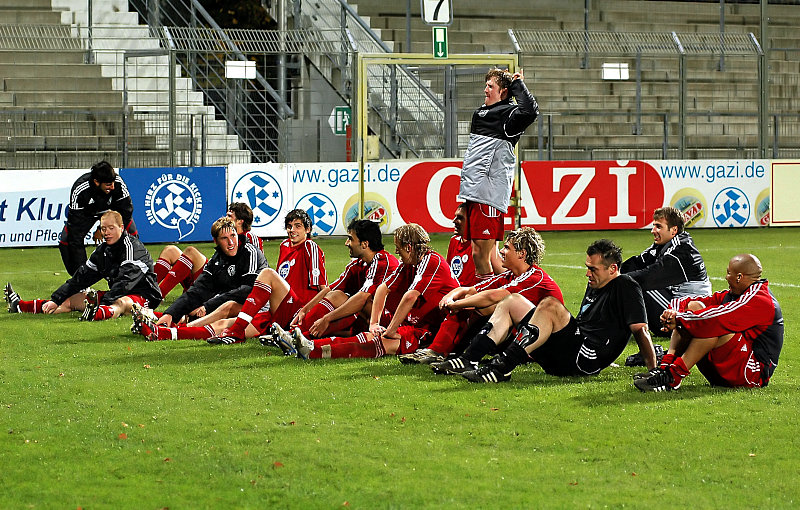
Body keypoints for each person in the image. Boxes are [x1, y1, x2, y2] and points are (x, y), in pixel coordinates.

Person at [431, 239, 656, 383]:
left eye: (593, 269)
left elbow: (640, 330)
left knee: (549, 305)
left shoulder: (625, 285)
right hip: (568, 352)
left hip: (584, 359)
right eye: (587, 268)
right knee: (512, 301)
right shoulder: (597, 284)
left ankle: (502, 367)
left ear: (613, 269)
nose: (587, 274)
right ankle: (469, 359)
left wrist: (653, 369)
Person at [282, 223, 459, 360]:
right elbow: (382, 289)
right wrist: (374, 323)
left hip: (427, 329)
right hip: (404, 320)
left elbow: (410, 296)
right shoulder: (406, 264)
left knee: (378, 339)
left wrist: (390, 329)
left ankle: (308, 345)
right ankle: (307, 344)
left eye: (398, 247)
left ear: (409, 247)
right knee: (366, 329)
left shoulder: (429, 260)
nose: (396, 251)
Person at [398, 227, 564, 365]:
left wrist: (456, 305)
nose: (501, 251)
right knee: (473, 300)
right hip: (522, 334)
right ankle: (443, 351)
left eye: (507, 248)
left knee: (485, 306)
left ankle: (447, 352)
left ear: (522, 254)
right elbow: (470, 289)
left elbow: (492, 297)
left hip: (541, 344)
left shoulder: (534, 278)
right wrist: (451, 296)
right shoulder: (510, 275)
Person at [634, 254, 783, 392]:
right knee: (694, 308)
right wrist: (673, 313)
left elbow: (718, 319)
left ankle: (672, 377)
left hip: (752, 374)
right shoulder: (733, 294)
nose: (726, 277)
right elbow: (690, 301)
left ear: (739, 277)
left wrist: (679, 319)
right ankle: (665, 369)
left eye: (728, 273)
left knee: (712, 325)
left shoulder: (761, 300)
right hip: (727, 370)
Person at [458, 68, 539, 284]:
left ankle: (488, 302)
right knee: (491, 257)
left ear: (503, 91)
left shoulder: (509, 116)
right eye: (486, 85)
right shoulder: (480, 114)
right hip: (476, 192)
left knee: (479, 255)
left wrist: (518, 84)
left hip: (489, 194)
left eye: (490, 86)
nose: (485, 89)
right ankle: (511, 292)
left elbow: (531, 111)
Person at [5, 211, 160, 321]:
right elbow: (80, 278)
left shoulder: (133, 248)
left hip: (144, 297)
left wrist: (103, 302)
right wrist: (56, 299)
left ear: (121, 227)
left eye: (111, 228)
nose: (106, 232)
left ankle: (96, 313)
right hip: (116, 294)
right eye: (103, 229)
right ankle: (19, 306)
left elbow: (125, 283)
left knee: (121, 302)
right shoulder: (102, 251)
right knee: (73, 300)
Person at [132, 216, 268, 339]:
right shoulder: (216, 260)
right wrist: (171, 313)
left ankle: (169, 329)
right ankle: (164, 322)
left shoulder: (250, 252)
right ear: (216, 241)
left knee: (227, 307)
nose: (231, 242)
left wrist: (207, 306)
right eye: (224, 238)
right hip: (234, 305)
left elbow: (249, 289)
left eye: (233, 236)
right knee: (208, 309)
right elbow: (198, 289)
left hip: (259, 308)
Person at [285, 219, 399, 341]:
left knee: (341, 298)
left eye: (350, 239)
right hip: (367, 319)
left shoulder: (382, 262)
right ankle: (297, 335)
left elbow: (361, 299)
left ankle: (295, 335)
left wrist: (326, 318)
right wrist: (304, 310)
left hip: (388, 320)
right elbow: (330, 289)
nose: (346, 243)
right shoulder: (358, 264)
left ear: (365, 244)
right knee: (337, 297)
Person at [621, 206, 711, 339]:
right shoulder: (663, 245)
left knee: (632, 286)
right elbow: (636, 263)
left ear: (674, 230)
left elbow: (648, 277)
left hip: (687, 319)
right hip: (674, 304)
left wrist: (614, 279)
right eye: (653, 226)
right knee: (619, 279)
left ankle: (616, 329)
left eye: (658, 226)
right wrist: (611, 272)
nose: (653, 231)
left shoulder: (682, 251)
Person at [153, 202, 263, 299]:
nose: (225, 218)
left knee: (191, 252)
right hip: (211, 277)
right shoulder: (225, 235)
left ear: (240, 221)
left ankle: (155, 297)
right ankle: (148, 291)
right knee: (170, 250)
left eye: (230, 216)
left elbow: (256, 269)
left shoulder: (250, 237)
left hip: (222, 286)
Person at [59, 161, 137, 275]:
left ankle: (133, 273)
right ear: (96, 182)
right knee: (66, 240)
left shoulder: (118, 182)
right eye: (108, 185)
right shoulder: (80, 189)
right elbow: (75, 227)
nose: (112, 187)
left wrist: (103, 229)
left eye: (113, 182)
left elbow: (126, 212)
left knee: (131, 232)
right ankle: (79, 280)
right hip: (87, 214)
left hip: (112, 211)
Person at [276, 208, 327, 304]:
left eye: (297, 226)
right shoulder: (284, 245)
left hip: (302, 305)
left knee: (267, 274)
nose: (292, 230)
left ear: (307, 229)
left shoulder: (310, 247)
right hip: (283, 302)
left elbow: (321, 286)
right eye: (289, 226)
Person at [446, 204, 479, 288]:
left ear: (472, 221)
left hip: (470, 295)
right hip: (453, 292)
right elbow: (448, 273)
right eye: (455, 217)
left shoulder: (480, 245)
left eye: (460, 218)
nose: (454, 221)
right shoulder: (454, 240)